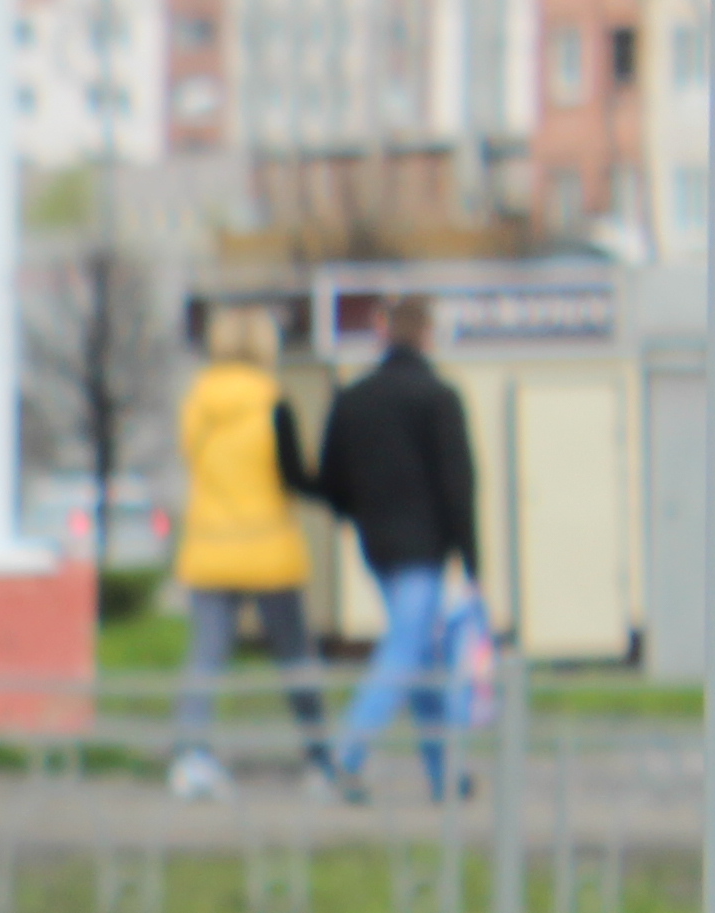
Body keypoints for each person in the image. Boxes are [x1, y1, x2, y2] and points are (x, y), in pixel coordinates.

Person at [314, 294, 480, 803]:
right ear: (427, 335)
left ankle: (444, 775)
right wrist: (472, 560)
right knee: (407, 650)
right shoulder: (438, 397)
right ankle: (345, 755)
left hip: (377, 547)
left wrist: (359, 516)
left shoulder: (354, 398)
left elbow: (331, 478)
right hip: (425, 549)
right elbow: (459, 484)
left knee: (424, 657)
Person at [165, 298, 325, 799]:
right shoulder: (272, 401)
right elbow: (293, 474)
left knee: (207, 657)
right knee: (294, 655)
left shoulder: (197, 403)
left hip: (210, 546)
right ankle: (319, 757)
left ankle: (190, 757)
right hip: (268, 546)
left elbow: (193, 461)